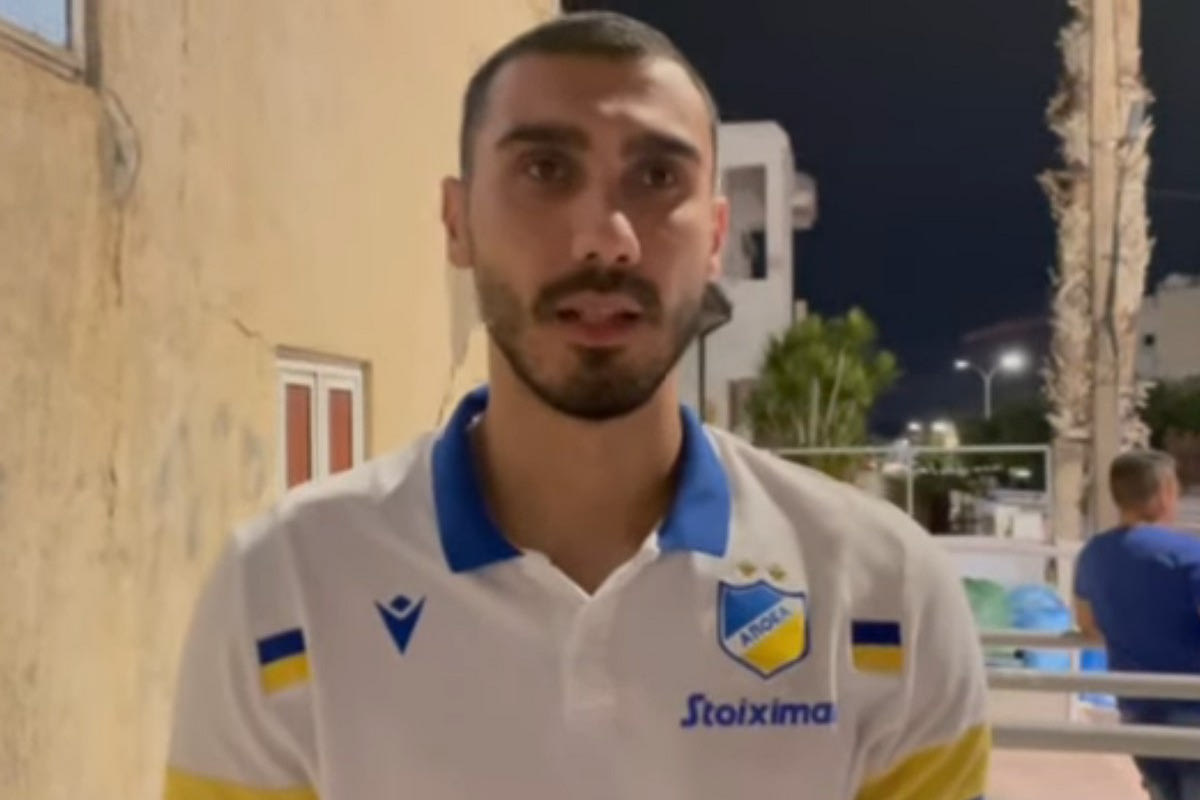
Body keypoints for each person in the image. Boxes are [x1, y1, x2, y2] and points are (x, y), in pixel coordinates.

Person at [164, 11, 989, 800]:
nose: (606, 237)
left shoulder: (885, 599)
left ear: (713, 238)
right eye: (545, 171)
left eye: (657, 177)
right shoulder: (283, 591)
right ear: (458, 222)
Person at [1074, 450, 1200, 800]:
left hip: (1136, 707)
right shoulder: (1190, 555)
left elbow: (1087, 624)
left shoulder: (1093, 554)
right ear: (1165, 492)